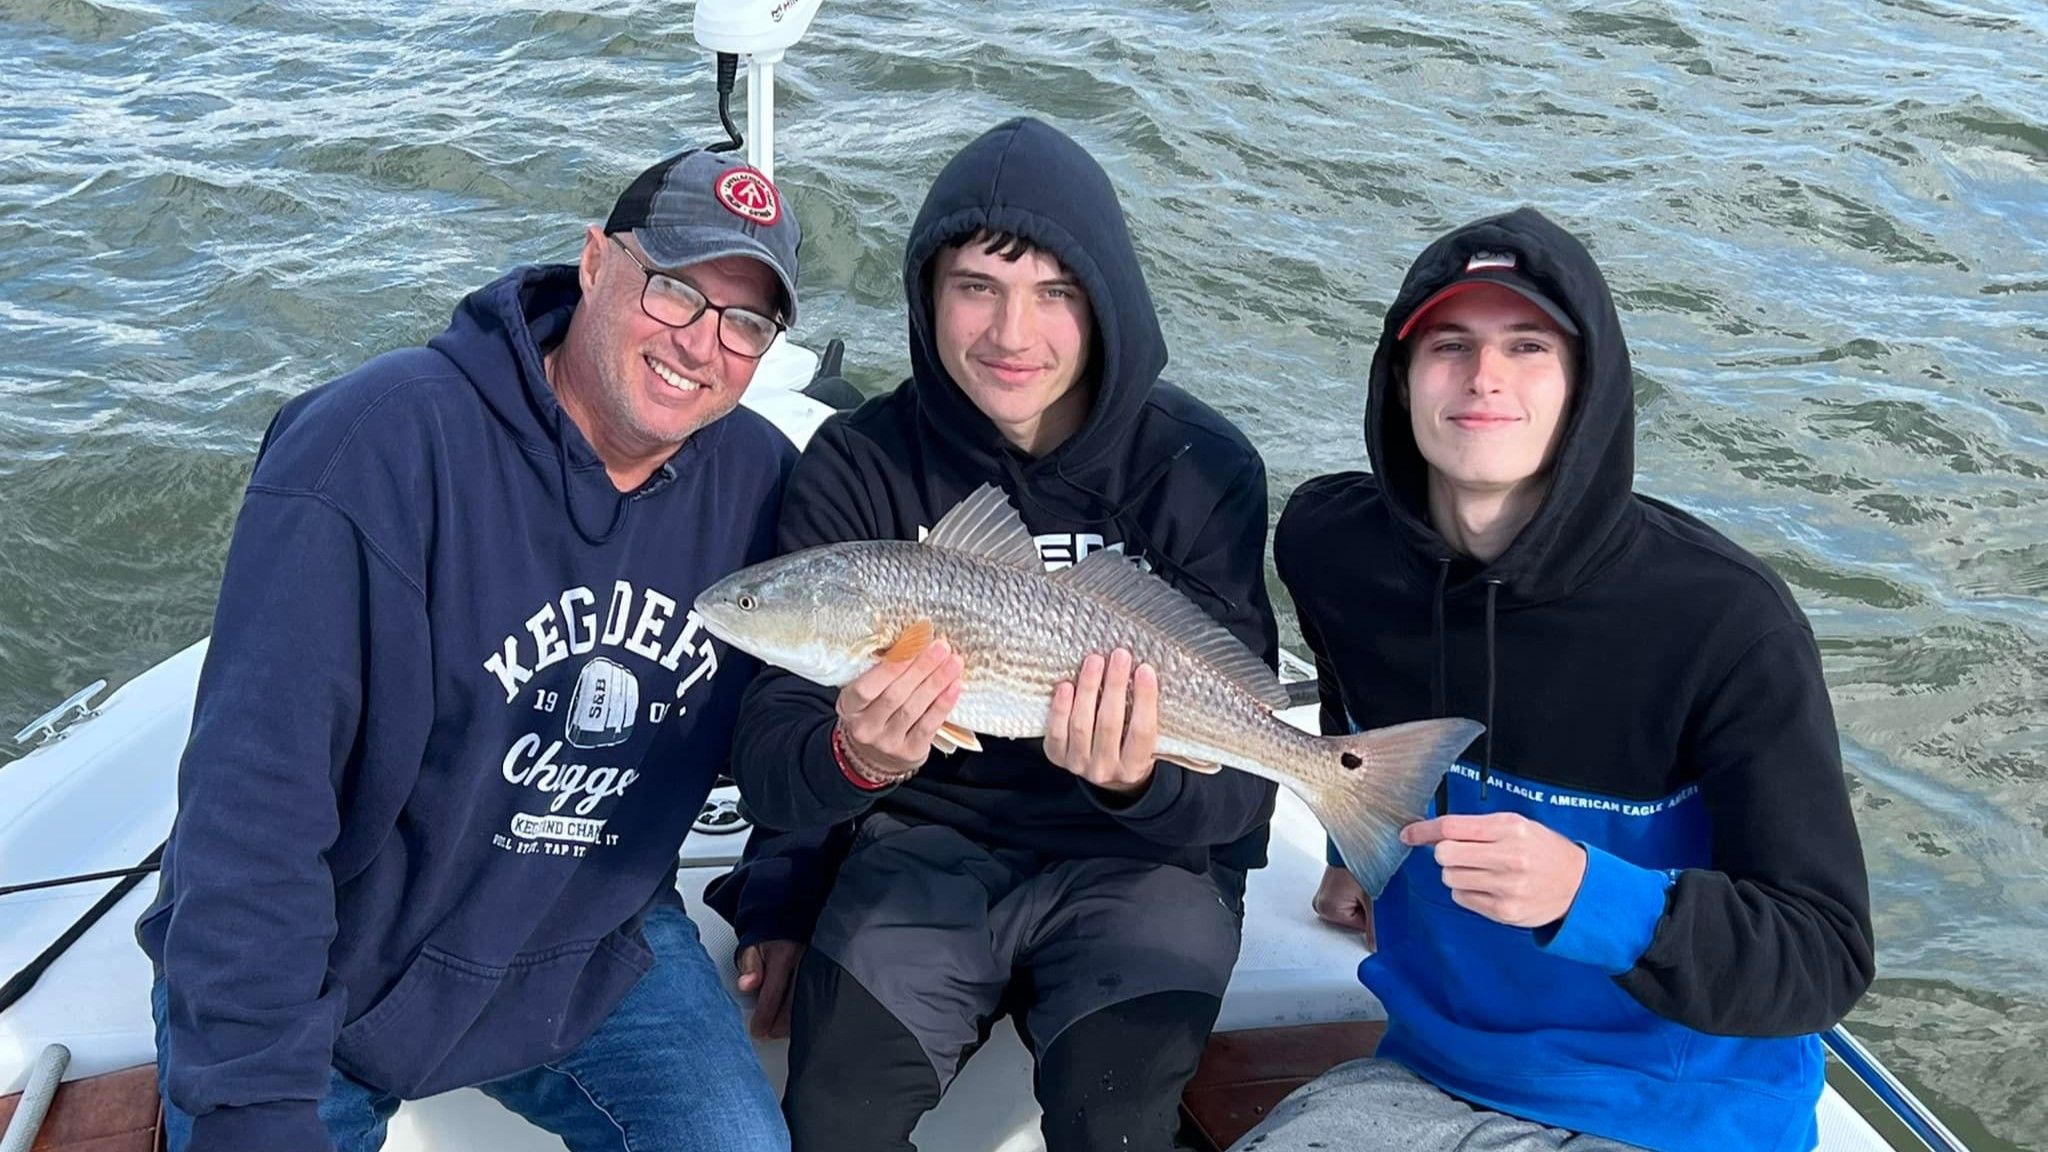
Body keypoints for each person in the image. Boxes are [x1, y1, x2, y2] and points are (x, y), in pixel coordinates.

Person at [138, 147, 804, 1152]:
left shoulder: (764, 486)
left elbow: (803, 714)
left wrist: (787, 883)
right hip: (332, 963)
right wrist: (251, 1102)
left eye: (745, 321)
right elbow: (253, 809)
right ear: (595, 262)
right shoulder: (371, 447)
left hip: (586, 946)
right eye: (673, 289)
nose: (700, 343)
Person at [1236, 207, 1875, 1152]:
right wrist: (1348, 843)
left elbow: (1823, 953)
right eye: (1450, 344)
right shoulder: (1331, 545)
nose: (1484, 375)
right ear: (1400, 380)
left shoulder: (1726, 623)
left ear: (1587, 384)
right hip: (1429, 1070)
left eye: (1528, 345)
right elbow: (1344, 685)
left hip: (1681, 1115)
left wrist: (1590, 895)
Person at [705, 116, 1280, 1152]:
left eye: (1055, 292)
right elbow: (775, 737)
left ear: (1108, 300)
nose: (1013, 333)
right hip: (924, 848)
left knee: (1118, 1121)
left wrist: (1134, 781)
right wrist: (799, 860)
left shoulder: (1199, 465)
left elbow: (1241, 796)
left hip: (1144, 864)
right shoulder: (859, 464)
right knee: (831, 1117)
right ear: (926, 295)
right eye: (977, 286)